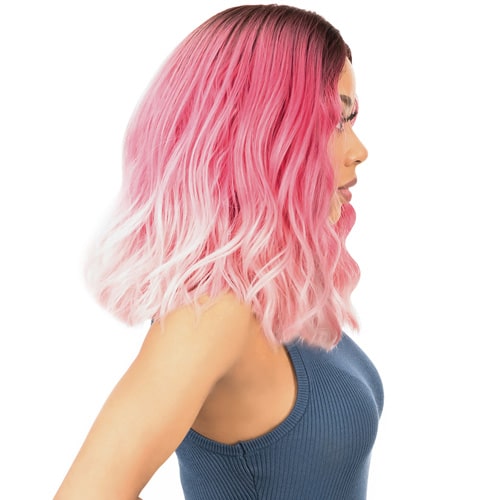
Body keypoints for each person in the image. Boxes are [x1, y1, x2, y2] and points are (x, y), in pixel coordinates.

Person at [55, 4, 383, 499]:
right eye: (336, 122)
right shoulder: (214, 312)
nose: (359, 150)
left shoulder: (273, 290)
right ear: (263, 131)